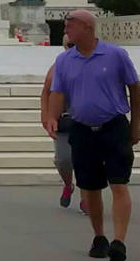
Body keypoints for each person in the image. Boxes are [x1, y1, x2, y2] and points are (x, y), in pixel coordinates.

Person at [43, 9, 140, 261]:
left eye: (70, 25)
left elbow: (135, 89)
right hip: (82, 128)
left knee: (119, 183)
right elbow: (57, 92)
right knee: (90, 187)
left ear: (88, 27)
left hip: (114, 126)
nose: (65, 29)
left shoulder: (116, 55)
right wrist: (52, 117)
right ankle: (99, 236)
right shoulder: (64, 60)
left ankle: (119, 241)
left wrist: (136, 124)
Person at [41, 38, 80, 210]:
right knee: (64, 159)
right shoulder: (58, 66)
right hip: (64, 119)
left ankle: (87, 197)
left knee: (85, 160)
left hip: (86, 119)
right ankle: (67, 184)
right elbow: (46, 92)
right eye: (70, 46)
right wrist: (46, 116)